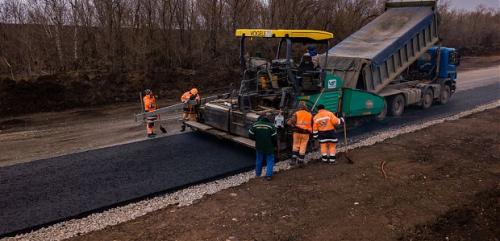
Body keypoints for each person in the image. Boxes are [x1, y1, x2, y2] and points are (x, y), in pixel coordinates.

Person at [248, 115, 277, 181]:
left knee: (259, 159)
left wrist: (256, 139)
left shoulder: (255, 125)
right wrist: (274, 145)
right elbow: (275, 138)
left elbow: (250, 135)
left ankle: (258, 174)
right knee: (270, 160)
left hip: (259, 146)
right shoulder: (271, 126)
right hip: (269, 147)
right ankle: (268, 175)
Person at [287, 101, 312, 166]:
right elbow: (312, 123)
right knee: (303, 146)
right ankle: (300, 161)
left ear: (299, 107)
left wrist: (288, 121)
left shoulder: (296, 113)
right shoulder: (309, 114)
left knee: (295, 145)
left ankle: (293, 160)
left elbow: (289, 123)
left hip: (297, 132)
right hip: (306, 133)